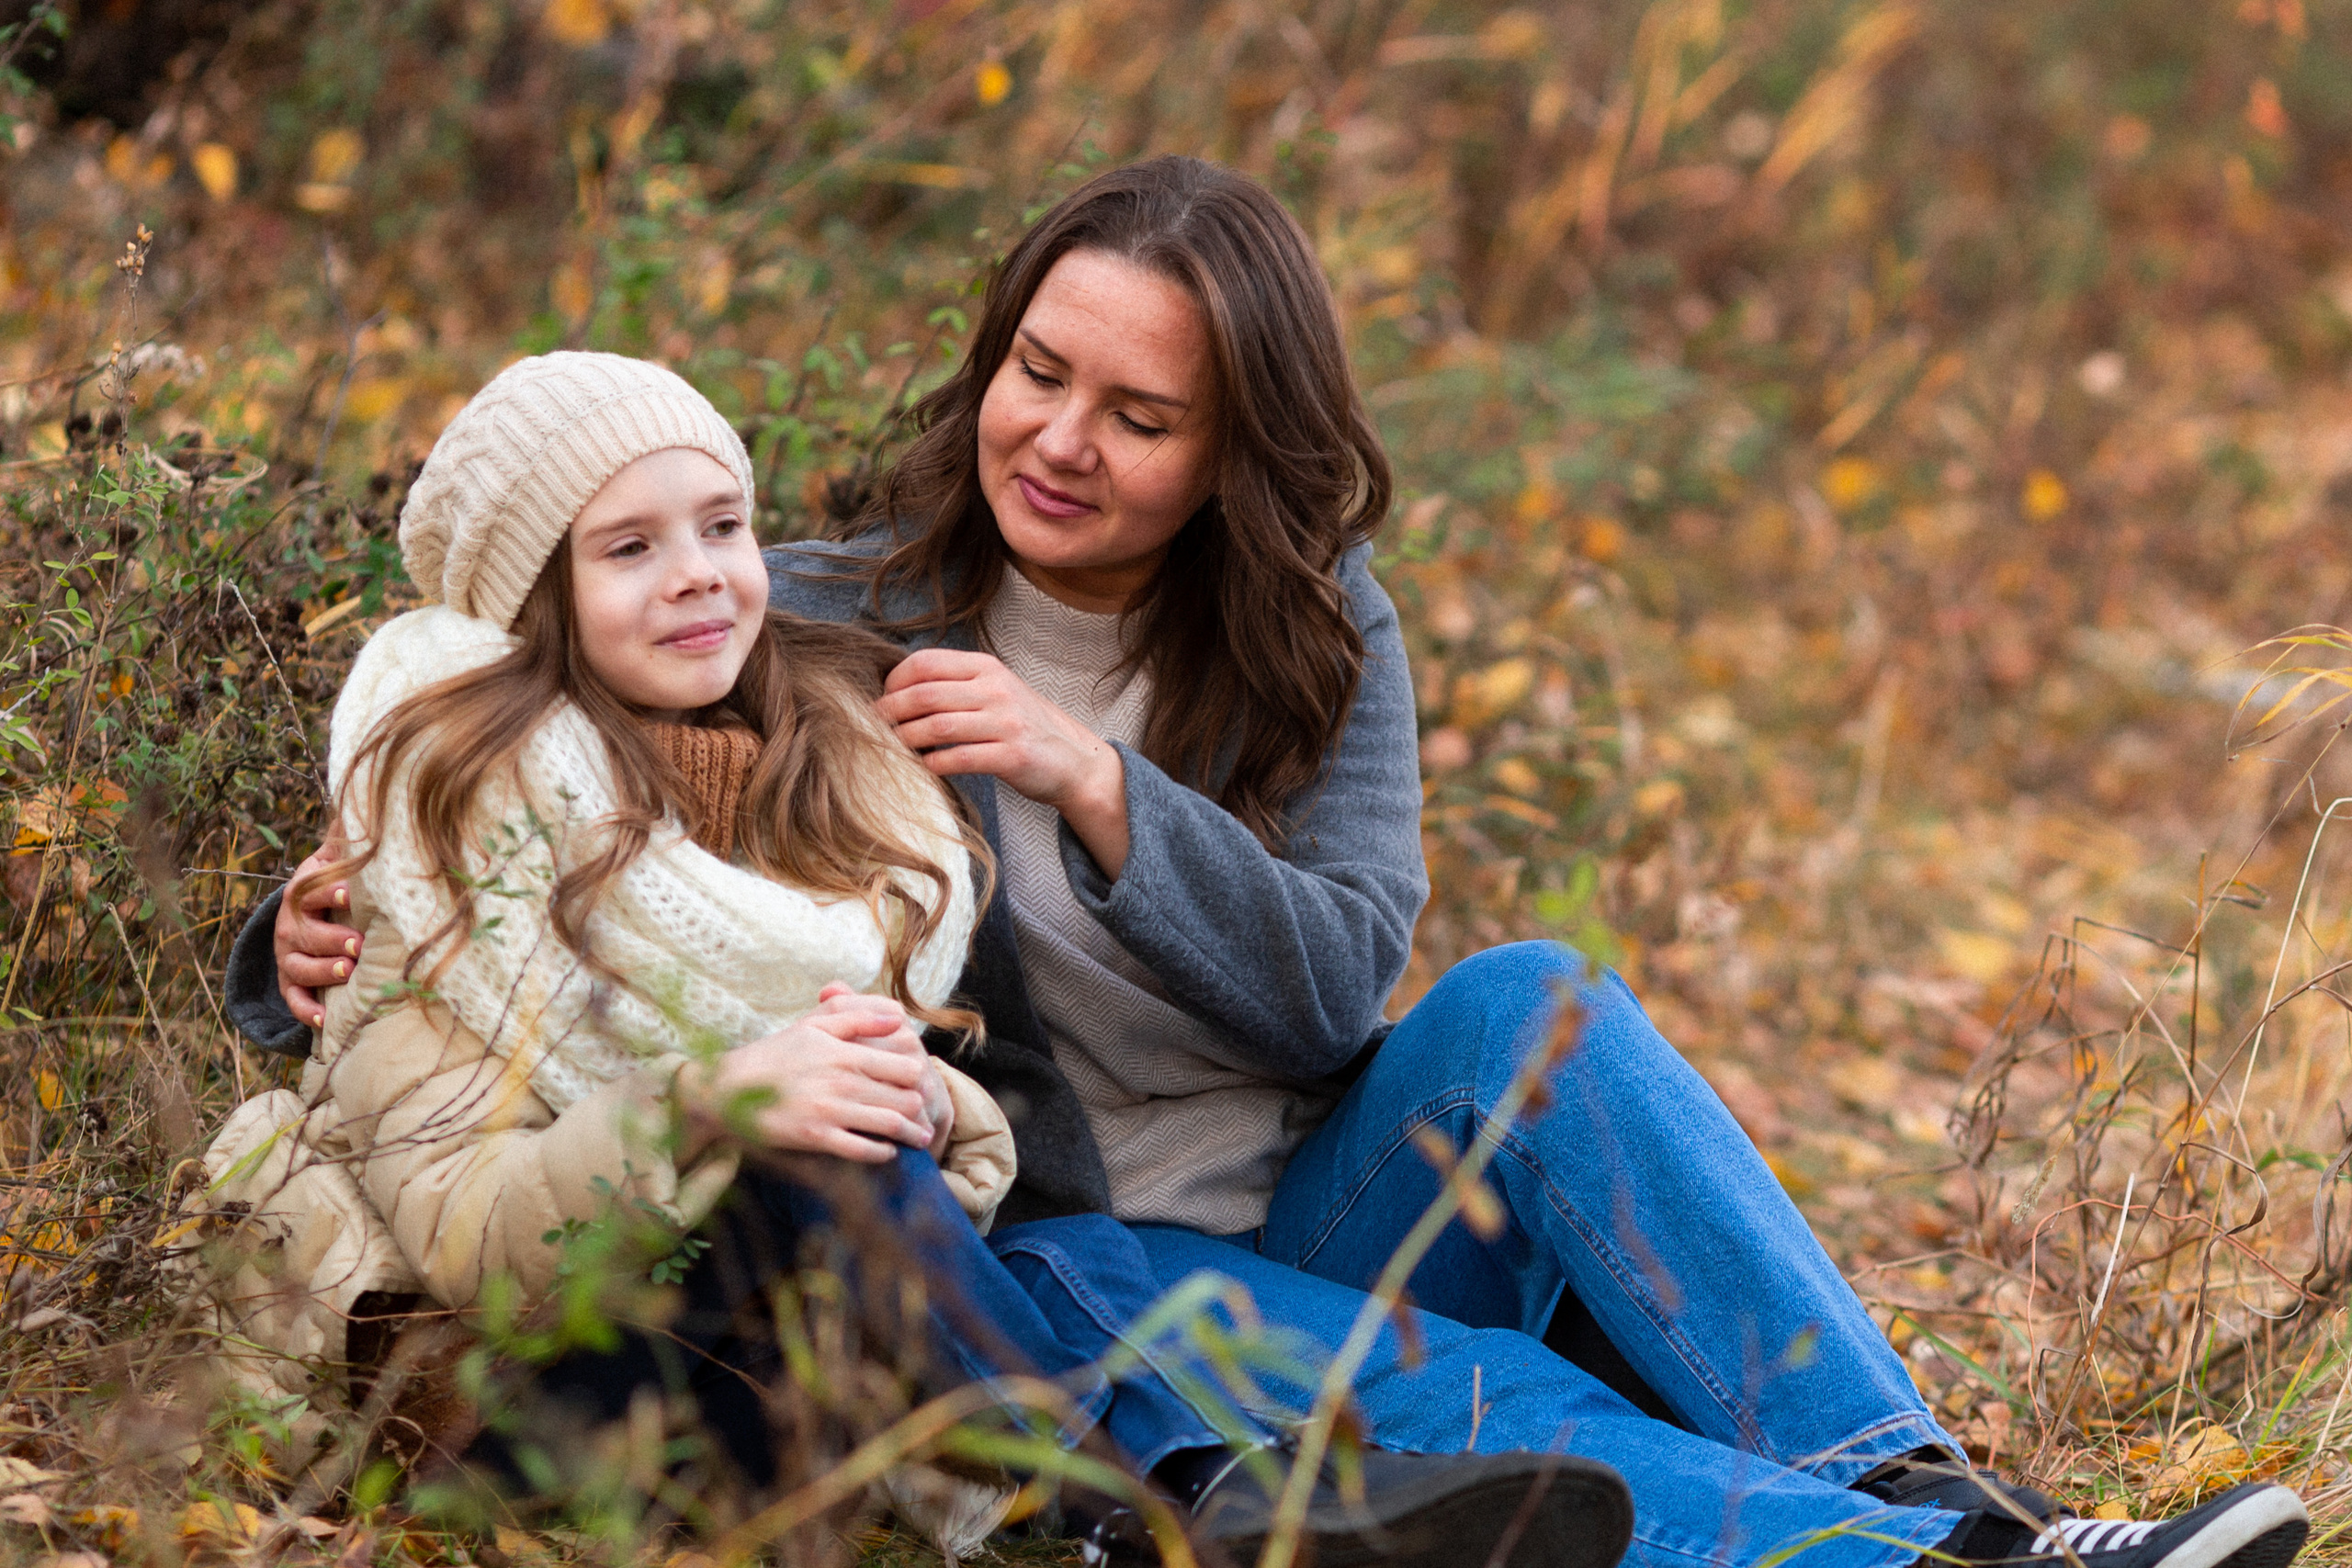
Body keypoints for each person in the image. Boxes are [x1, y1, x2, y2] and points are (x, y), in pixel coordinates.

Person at [236, 162, 2312, 1568]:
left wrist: (1101, 785)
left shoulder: (1319, 626)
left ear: (1231, 450)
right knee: (1487, 1392)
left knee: (1531, 1000)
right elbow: (512, 746)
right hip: (1069, 1256)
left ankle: (1942, 1500)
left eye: (1139, 417)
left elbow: (1334, 993)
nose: (1060, 440)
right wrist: (289, 938)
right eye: (1038, 375)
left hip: (1325, 1198)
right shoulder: (822, 606)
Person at [197, 351, 1629, 1567]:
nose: (698, 577)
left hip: (779, 1364)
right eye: (628, 549)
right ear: (534, 600)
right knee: (811, 1138)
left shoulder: (825, 782)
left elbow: (965, 1120)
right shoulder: (445, 852)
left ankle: (1178, 1508)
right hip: (527, 1390)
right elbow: (470, 1237)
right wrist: (712, 1108)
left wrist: (922, 1097)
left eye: (723, 525)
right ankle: (1164, 1518)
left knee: (910, 1159)